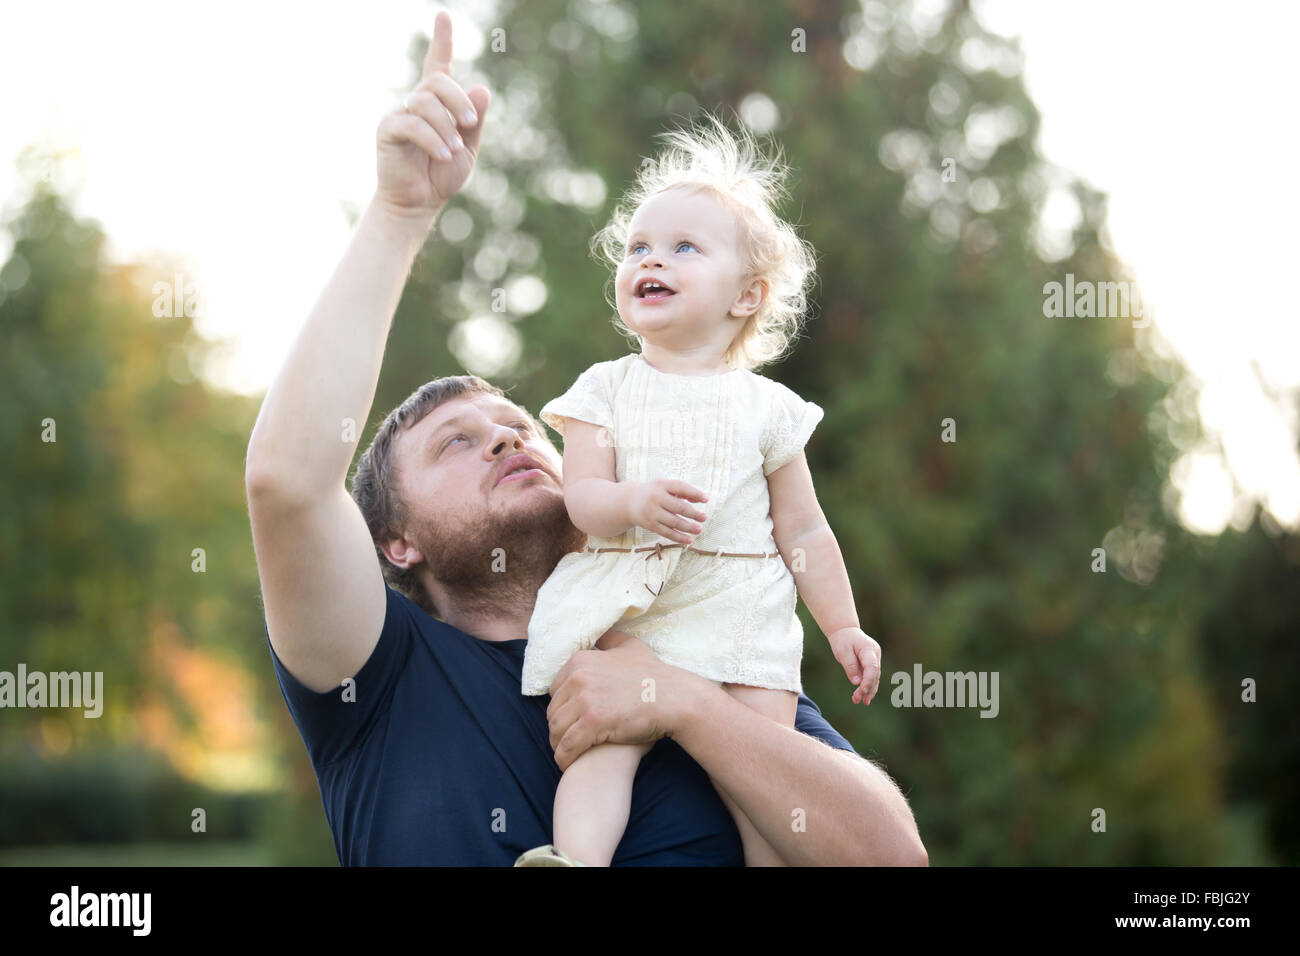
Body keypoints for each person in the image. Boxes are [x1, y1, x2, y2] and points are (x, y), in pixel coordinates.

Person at [245, 11, 927, 866]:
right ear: (397, 542)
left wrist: (682, 703)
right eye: (456, 442)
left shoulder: (693, 643)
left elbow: (894, 860)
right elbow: (286, 482)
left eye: (519, 427)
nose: (505, 439)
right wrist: (399, 212)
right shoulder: (379, 676)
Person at [516, 116, 881, 867]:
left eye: (684, 247)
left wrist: (842, 625)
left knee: (762, 773)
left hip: (742, 615)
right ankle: (576, 860)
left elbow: (804, 532)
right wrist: (632, 504)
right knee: (602, 749)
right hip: (635, 608)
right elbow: (579, 496)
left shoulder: (770, 408)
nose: (652, 259)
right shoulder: (606, 389)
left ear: (748, 296)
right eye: (638, 248)